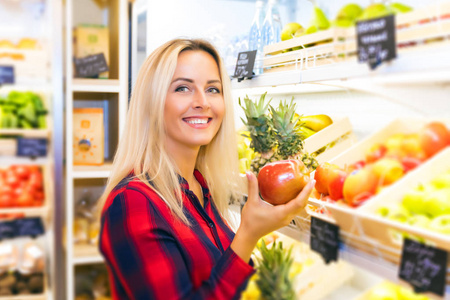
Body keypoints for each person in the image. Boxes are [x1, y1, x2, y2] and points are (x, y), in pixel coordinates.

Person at [98, 38, 314, 300]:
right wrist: (248, 234)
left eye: (213, 89)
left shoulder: (199, 186)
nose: (203, 102)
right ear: (152, 102)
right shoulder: (134, 202)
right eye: (183, 88)